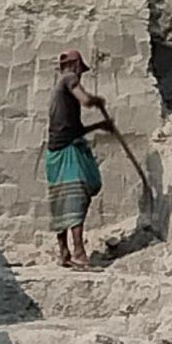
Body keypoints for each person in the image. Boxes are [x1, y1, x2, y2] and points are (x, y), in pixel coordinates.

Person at [43, 50, 113, 269]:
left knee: (61, 199)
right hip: (66, 150)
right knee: (77, 196)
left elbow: (76, 128)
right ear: (73, 66)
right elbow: (84, 100)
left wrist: (100, 126)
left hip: (57, 149)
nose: (80, 75)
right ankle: (80, 254)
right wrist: (95, 100)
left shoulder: (59, 90)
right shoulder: (69, 79)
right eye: (80, 70)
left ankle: (64, 253)